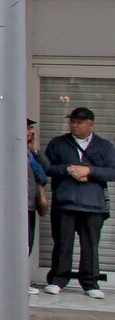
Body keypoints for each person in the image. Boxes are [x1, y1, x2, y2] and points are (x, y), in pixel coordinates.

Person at [42, 106, 115, 298]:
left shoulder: (104, 146)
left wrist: (89, 171)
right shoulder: (58, 143)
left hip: (93, 205)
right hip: (65, 203)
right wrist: (68, 169)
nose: (75, 125)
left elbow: (112, 171)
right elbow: (46, 168)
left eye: (79, 122)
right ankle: (57, 280)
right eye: (72, 121)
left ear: (91, 124)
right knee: (62, 243)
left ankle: (90, 283)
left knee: (90, 245)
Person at [28, 118, 53, 295]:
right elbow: (42, 176)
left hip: (29, 205)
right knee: (22, 244)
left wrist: (35, 149)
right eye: (27, 128)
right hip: (18, 206)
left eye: (31, 128)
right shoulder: (13, 149)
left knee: (27, 243)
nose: (30, 131)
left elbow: (45, 169)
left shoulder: (29, 152)